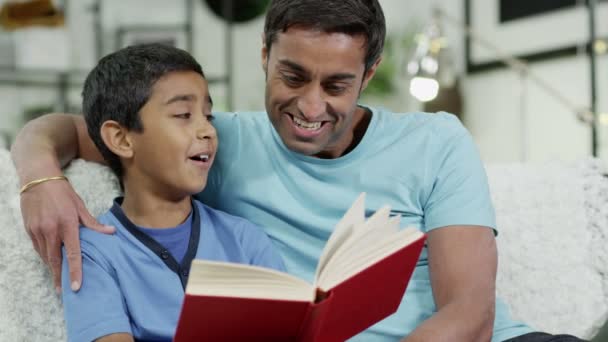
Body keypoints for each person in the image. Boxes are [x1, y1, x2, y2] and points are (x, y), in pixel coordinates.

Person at [11, 1, 587, 341]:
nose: (311, 108)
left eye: (336, 85)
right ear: (265, 55)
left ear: (370, 72)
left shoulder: (436, 140)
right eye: (292, 77)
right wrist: (40, 177)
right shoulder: (211, 141)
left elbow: (470, 314)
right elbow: (71, 126)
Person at [54, 43, 285, 341]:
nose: (208, 130)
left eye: (208, 115)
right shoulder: (92, 253)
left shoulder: (244, 240)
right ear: (122, 139)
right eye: (183, 114)